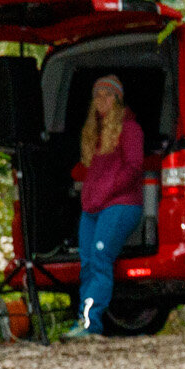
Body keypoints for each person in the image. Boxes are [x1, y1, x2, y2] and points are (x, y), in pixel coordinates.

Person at [68, 75, 144, 339]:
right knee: (87, 263)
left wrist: (104, 191)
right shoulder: (94, 133)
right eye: (97, 94)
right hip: (93, 209)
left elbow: (134, 168)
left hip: (121, 205)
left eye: (108, 94)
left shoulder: (130, 129)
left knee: (100, 260)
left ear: (118, 99)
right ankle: (84, 321)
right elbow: (89, 172)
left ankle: (91, 324)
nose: (102, 99)